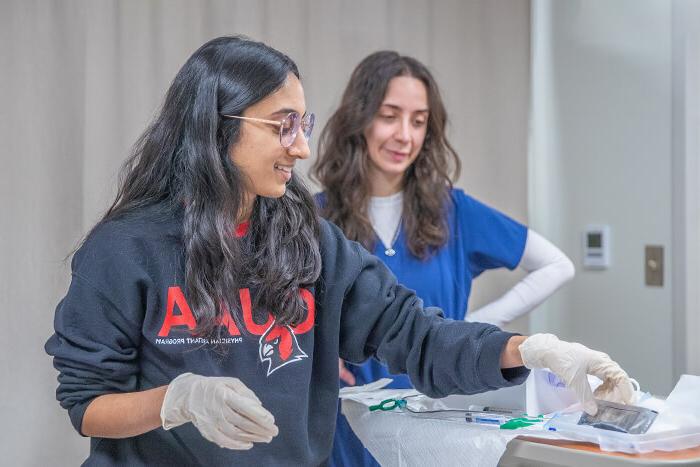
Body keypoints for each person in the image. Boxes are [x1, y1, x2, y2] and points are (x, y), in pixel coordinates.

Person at [46, 37, 632, 466]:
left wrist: (532, 349)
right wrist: (177, 400)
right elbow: (88, 403)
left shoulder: (310, 241)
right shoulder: (124, 250)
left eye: (304, 123)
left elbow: (418, 338)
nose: (301, 147)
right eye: (282, 126)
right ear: (215, 129)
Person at [312, 51, 576, 466]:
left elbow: (558, 265)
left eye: (418, 121)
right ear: (358, 119)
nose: (405, 135)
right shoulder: (315, 220)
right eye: (389, 116)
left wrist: (479, 326)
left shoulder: (455, 212)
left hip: (438, 423)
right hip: (347, 427)